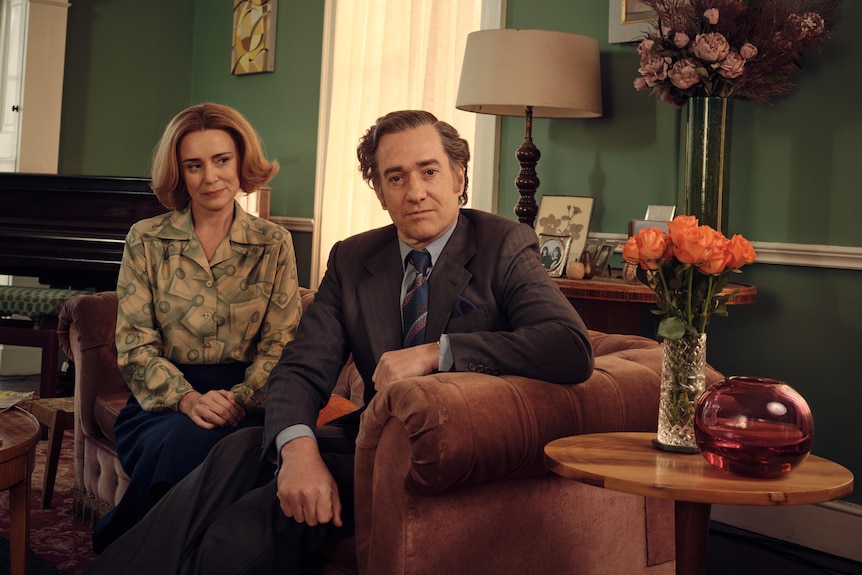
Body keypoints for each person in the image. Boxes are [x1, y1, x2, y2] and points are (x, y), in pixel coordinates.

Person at [83, 109, 593, 574]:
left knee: (269, 508)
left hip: (448, 444)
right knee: (239, 449)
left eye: (429, 171)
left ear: (460, 177)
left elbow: (569, 346)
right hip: (371, 433)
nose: (414, 190)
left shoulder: (503, 245)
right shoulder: (353, 258)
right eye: (396, 177)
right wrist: (299, 448)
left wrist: (437, 354)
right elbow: (301, 366)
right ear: (379, 191)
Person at [91, 103, 302, 553]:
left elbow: (281, 347)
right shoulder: (145, 239)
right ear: (179, 172)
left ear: (241, 162)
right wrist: (187, 399)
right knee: (182, 443)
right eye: (194, 165)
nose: (211, 177)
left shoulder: (274, 243)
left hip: (248, 399)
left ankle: (123, 547)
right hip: (162, 402)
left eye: (221, 160)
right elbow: (134, 346)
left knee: (213, 451)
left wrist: (240, 400)